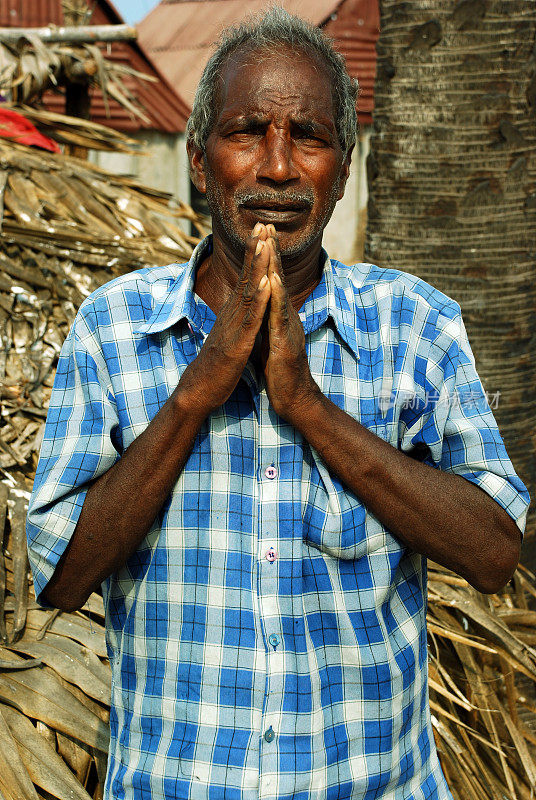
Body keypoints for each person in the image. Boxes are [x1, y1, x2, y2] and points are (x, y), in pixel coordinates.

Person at [27, 8, 529, 800]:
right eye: (246, 131)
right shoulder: (115, 329)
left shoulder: (415, 327)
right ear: (199, 162)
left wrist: (308, 406)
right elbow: (59, 576)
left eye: (310, 138)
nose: (278, 166)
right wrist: (200, 389)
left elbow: (497, 551)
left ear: (344, 167)